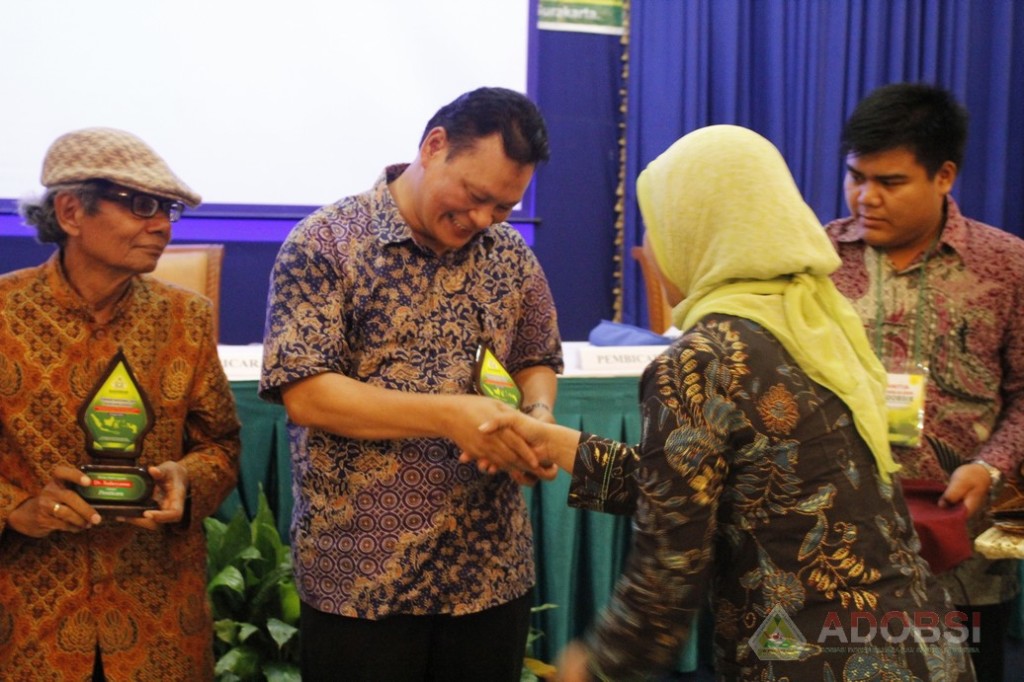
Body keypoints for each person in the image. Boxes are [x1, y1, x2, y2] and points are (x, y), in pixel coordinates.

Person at [473, 125, 975, 681]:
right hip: (921, 646)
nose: (654, 245)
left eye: (658, 224)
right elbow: (722, 489)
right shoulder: (816, 322)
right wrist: (557, 444)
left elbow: (669, 570)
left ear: (695, 229)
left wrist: (593, 667)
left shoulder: (704, 358)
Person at [259, 86, 563, 681]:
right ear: (433, 146)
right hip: (362, 578)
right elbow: (308, 393)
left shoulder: (510, 255)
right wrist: (450, 415)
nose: (483, 219)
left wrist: (538, 416)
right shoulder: (326, 242)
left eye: (503, 207)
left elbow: (536, 355)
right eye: (475, 196)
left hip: (489, 574)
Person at [0, 128, 241, 679]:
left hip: (157, 616)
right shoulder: (4, 313)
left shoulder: (186, 318)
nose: (162, 226)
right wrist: (15, 508)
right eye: (141, 206)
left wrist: (186, 480)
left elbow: (221, 444)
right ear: (71, 211)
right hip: (30, 616)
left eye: (167, 210)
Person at [825, 82, 1024, 681]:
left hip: (962, 546)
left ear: (944, 176)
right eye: (856, 177)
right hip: (839, 541)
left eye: (890, 182)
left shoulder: (1006, 266)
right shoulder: (816, 261)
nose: (866, 198)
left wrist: (990, 467)